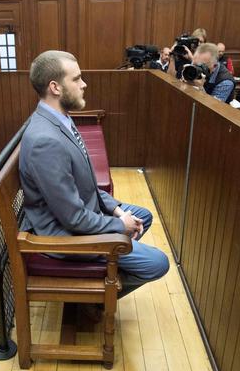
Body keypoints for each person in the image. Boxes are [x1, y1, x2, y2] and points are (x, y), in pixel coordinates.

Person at [19, 50, 169, 299]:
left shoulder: (60, 118)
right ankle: (100, 297)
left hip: (79, 212)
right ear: (55, 87)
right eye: (76, 79)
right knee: (158, 263)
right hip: (63, 235)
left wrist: (117, 210)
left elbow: (85, 183)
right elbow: (74, 219)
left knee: (144, 216)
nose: (84, 84)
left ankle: (101, 281)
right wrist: (119, 225)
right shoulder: (45, 140)